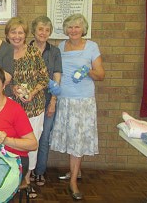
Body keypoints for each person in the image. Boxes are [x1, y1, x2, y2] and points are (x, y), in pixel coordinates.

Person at [50, 14, 105, 200]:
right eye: (70, 27)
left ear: (83, 29)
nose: (73, 30)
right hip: (65, 100)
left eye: (77, 27)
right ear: (65, 30)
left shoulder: (91, 46)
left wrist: (87, 71)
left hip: (83, 101)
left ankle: (73, 181)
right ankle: (76, 171)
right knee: (72, 138)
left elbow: (101, 74)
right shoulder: (61, 47)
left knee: (78, 139)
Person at [5, 16, 49, 199]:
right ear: (7, 35)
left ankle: (27, 180)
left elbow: (44, 78)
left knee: (31, 144)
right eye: (13, 32)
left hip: (33, 107)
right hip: (11, 109)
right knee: (12, 144)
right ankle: (12, 180)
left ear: (25, 34)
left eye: (20, 32)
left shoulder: (33, 53)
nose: (17, 36)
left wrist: (32, 92)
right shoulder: (4, 53)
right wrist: (12, 87)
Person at [30, 16, 62, 187]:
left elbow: (57, 76)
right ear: (34, 30)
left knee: (43, 138)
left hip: (48, 100)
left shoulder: (54, 52)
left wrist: (53, 101)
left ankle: (40, 171)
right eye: (40, 29)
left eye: (47, 30)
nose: (43, 33)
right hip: (28, 101)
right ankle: (25, 171)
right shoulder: (25, 48)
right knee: (28, 136)